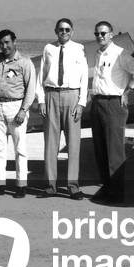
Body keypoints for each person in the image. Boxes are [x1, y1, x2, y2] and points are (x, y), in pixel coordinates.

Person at [89, 21, 134, 204]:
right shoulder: (99, 54)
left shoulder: (120, 54)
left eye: (104, 33)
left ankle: (117, 194)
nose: (100, 36)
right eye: (97, 33)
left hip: (113, 104)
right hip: (97, 103)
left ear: (111, 34)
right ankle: (107, 188)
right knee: (100, 150)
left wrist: (127, 91)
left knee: (114, 151)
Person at [38, 18, 88, 199]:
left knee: (73, 145)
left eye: (67, 30)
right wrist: (41, 100)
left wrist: (81, 103)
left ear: (72, 31)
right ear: (56, 31)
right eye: (61, 29)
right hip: (51, 95)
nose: (64, 32)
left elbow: (84, 77)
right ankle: (50, 186)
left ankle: (73, 187)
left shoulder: (78, 49)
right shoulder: (48, 49)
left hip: (72, 96)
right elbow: (41, 75)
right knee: (51, 144)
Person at [0, 29, 37, 198]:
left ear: (15, 42)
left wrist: (23, 110)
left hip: (16, 108)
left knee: (20, 148)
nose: (4, 46)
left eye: (7, 42)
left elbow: (31, 89)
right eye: (1, 43)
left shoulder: (24, 62)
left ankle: (21, 185)